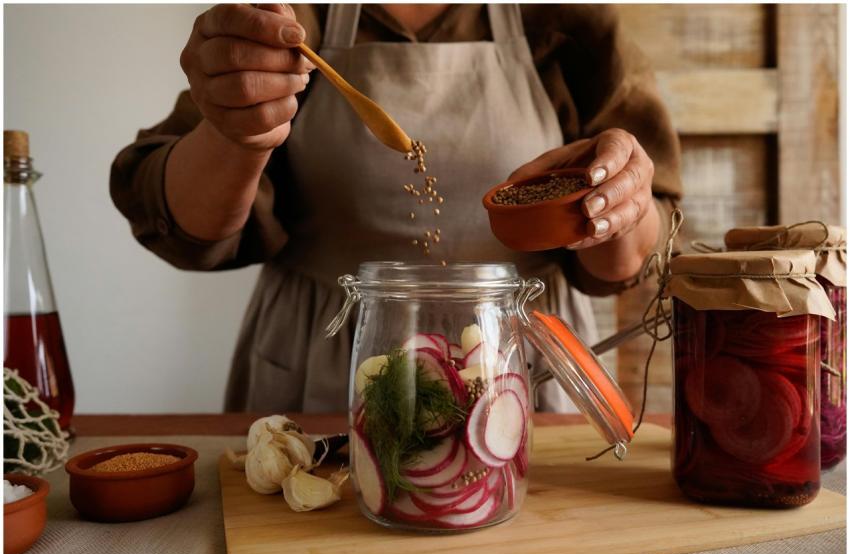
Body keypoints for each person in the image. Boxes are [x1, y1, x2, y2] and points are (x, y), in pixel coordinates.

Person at [111, 4, 682, 413]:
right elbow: (184, 227)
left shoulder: (566, 19)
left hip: (516, 362)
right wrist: (236, 131)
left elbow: (622, 267)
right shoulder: (292, 20)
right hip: (331, 363)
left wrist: (616, 202)